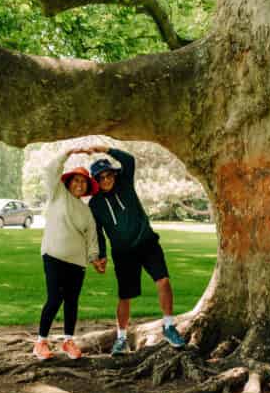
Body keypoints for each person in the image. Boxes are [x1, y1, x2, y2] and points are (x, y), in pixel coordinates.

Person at [81, 143, 185, 353]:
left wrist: (105, 149)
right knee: (125, 297)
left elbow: (129, 160)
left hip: (147, 243)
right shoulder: (95, 204)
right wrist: (100, 256)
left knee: (163, 280)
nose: (106, 179)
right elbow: (98, 233)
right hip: (123, 253)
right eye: (101, 177)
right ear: (96, 181)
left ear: (114, 175)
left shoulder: (126, 184)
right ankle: (121, 338)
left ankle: (169, 326)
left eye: (109, 175)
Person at [33, 151, 106, 361]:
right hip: (53, 256)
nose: (79, 184)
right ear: (69, 182)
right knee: (55, 299)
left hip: (77, 262)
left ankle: (68, 341)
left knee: (72, 301)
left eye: (84, 182)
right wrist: (67, 154)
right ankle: (41, 342)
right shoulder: (57, 194)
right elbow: (50, 170)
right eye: (76, 180)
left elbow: (91, 238)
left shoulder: (86, 212)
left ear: (87, 187)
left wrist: (95, 260)